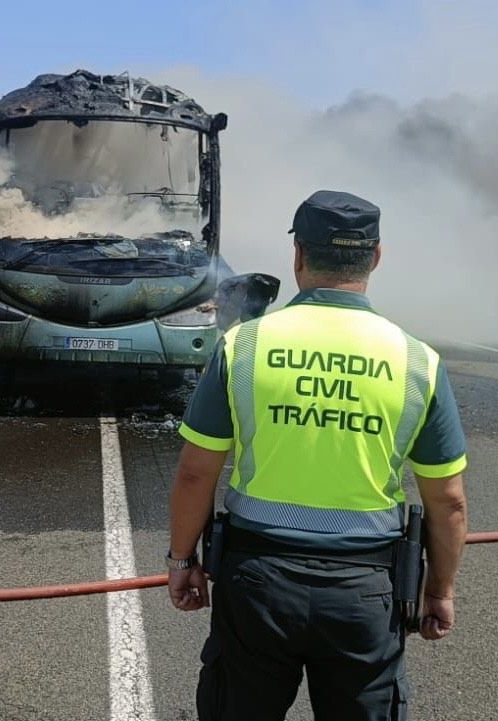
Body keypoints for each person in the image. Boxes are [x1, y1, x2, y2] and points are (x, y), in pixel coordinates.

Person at [167, 190, 469, 721]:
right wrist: (439, 590)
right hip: (365, 594)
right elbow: (447, 501)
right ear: (375, 258)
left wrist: (182, 560)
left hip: (257, 582)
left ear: (298, 256)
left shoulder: (243, 346)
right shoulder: (417, 362)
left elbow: (196, 472)